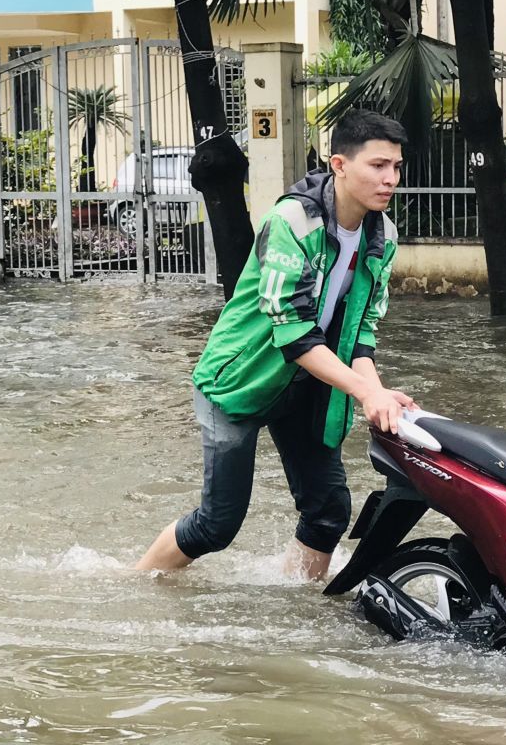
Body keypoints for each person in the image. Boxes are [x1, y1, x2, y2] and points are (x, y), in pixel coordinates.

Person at [136, 109, 414, 579]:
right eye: (378, 166)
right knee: (216, 526)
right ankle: (135, 583)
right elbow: (294, 334)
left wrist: (380, 394)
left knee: (328, 512)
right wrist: (365, 393)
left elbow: (361, 334)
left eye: (397, 167)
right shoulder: (292, 222)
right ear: (339, 165)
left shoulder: (382, 236)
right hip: (238, 381)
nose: (391, 179)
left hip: (308, 384)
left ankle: (299, 607)